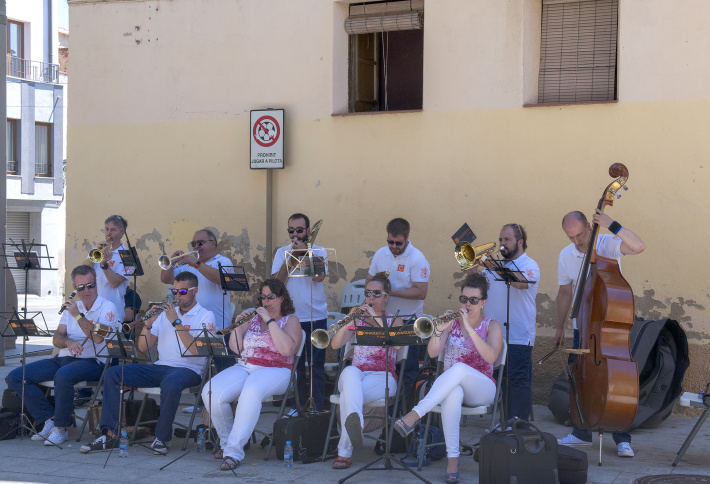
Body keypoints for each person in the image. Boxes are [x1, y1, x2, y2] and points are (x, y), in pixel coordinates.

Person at [80, 272, 215, 455]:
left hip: (189, 369)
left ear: (195, 291)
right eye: (174, 291)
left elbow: (196, 351)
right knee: (114, 373)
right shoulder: (165, 315)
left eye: (182, 291)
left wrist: (176, 321)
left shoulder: (206, 316)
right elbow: (143, 347)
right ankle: (110, 434)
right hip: (161, 367)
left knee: (171, 383)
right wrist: (149, 324)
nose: (177, 295)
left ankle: (162, 438)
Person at [394, 273, 503, 484]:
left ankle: (414, 415)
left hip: (483, 388)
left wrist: (469, 328)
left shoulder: (492, 326)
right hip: (453, 386)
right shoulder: (451, 323)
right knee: (453, 392)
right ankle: (453, 461)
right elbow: (433, 353)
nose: (467, 304)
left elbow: (491, 357)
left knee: (460, 368)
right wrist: (439, 330)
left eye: (473, 300)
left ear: (483, 303)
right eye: (464, 299)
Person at [554, 210, 645, 458]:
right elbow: (565, 293)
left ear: (588, 227)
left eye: (580, 235)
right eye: (570, 237)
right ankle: (580, 432)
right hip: (582, 327)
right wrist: (560, 326)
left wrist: (610, 224)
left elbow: (638, 246)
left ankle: (621, 437)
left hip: (608, 328)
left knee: (616, 378)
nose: (576, 242)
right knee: (580, 378)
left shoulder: (606, 244)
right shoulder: (566, 254)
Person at [6, 265, 120, 446]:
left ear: (96, 284)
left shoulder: (108, 307)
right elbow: (57, 338)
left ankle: (61, 428)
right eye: (81, 287)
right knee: (16, 376)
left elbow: (98, 337)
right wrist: (68, 342)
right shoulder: (72, 308)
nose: (86, 291)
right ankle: (48, 417)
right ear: (75, 289)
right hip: (65, 358)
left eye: (90, 285)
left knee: (63, 376)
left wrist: (77, 315)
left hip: (95, 361)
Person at [203, 279, 302, 471]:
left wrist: (270, 321)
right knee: (211, 391)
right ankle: (228, 443)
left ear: (281, 298)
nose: (265, 301)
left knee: (252, 390)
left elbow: (287, 350)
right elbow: (236, 349)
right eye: (262, 296)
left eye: (271, 297)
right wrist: (238, 326)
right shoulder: (253, 318)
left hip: (279, 369)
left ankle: (233, 452)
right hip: (246, 365)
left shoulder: (290, 320)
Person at [330, 273, 404, 470]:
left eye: (376, 293)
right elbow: (336, 345)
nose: (370, 298)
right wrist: (350, 321)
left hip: (384, 377)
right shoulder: (357, 319)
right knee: (350, 373)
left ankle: (345, 452)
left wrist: (372, 316)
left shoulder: (395, 321)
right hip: (356, 373)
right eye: (368, 293)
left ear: (386, 297)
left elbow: (395, 346)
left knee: (349, 396)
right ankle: (357, 427)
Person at [479, 223, 539, 423]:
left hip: (518, 335)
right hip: (493, 335)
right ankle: (505, 426)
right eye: (501, 239)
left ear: (520, 242)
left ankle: (520, 429)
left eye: (507, 240)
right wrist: (472, 265)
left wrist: (491, 265)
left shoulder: (529, 265)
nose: (502, 244)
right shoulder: (492, 267)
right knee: (499, 382)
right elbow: (473, 287)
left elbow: (520, 283)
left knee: (517, 382)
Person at [272, 213, 328, 413]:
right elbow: (276, 283)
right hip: (291, 319)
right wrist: (291, 258)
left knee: (315, 367)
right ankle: (296, 407)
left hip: (315, 317)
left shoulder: (320, 251)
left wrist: (307, 253)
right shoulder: (282, 252)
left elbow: (319, 277)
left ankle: (317, 408)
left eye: (299, 230)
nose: (295, 234)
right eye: (291, 231)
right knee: (295, 366)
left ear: (308, 231)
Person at [368, 217, 430, 395]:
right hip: (383, 318)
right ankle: (387, 411)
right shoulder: (381, 254)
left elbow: (421, 292)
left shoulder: (417, 258)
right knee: (384, 367)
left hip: (409, 320)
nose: (394, 246)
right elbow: (369, 280)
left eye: (398, 243)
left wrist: (390, 291)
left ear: (407, 237)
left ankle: (408, 415)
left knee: (408, 370)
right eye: (390, 242)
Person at [161, 228, 234, 379]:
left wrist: (197, 264)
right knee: (198, 372)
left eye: (200, 242)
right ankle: (200, 401)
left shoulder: (223, 261)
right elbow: (166, 279)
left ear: (213, 243)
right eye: (193, 243)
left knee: (223, 373)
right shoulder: (189, 263)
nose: (195, 247)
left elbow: (222, 279)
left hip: (219, 326)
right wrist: (171, 264)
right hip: (192, 326)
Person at [82, 214, 132, 324]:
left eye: (113, 230)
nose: (109, 233)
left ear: (122, 234)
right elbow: (82, 272)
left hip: (112, 311)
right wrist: (95, 253)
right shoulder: (97, 250)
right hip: (92, 309)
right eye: (107, 229)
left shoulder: (127, 256)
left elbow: (115, 283)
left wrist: (104, 264)